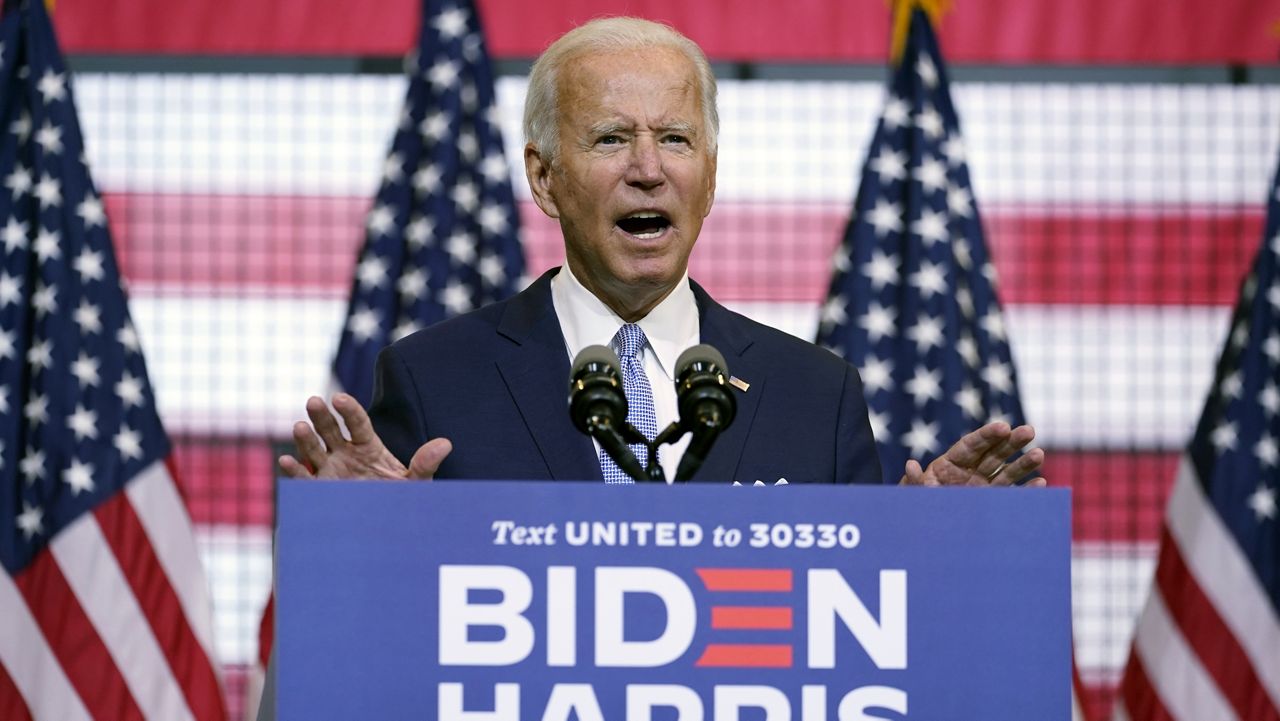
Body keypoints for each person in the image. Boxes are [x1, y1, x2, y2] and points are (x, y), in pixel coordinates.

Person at [280, 17, 1046, 490]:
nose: (649, 167)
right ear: (543, 178)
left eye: (676, 139)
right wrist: (362, 538)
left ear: (708, 177)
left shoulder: (817, 395)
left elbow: (857, 629)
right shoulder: (433, 378)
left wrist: (923, 546)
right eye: (612, 138)